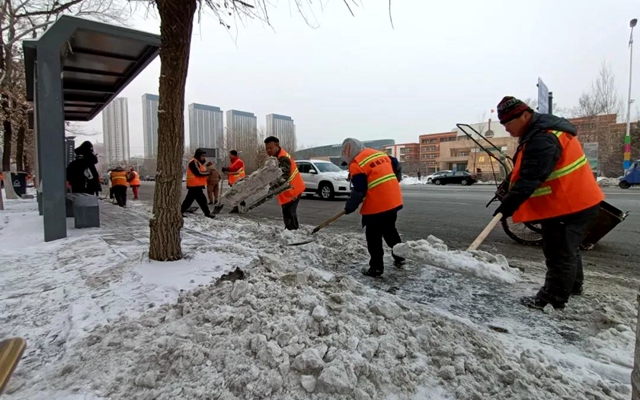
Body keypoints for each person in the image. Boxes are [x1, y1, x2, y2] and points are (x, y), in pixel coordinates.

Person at [493, 96, 604, 310]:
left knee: (558, 252)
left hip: (568, 205)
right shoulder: (544, 131)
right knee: (568, 249)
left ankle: (552, 299)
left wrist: (509, 204)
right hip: (577, 201)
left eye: (508, 123)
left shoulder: (543, 138)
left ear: (525, 115)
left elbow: (531, 177)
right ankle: (572, 286)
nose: (506, 129)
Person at [340, 138, 405, 277]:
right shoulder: (378, 154)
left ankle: (376, 268)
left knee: (373, 237)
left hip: (377, 205)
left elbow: (359, 190)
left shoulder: (357, 164)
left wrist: (350, 206)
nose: (348, 165)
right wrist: (394, 181)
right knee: (389, 230)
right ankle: (400, 256)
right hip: (393, 200)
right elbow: (396, 165)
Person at [264, 136, 306, 230]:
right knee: (287, 211)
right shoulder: (277, 158)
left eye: (270, 148)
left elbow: (283, 177)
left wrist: (273, 188)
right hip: (288, 190)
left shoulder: (283, 158)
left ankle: (293, 231)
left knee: (290, 212)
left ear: (277, 146)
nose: (268, 151)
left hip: (293, 189)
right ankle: (291, 231)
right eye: (267, 149)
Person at [181, 148, 214, 218]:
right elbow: (198, 173)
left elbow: (200, 171)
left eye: (204, 156)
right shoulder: (193, 162)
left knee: (189, 200)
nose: (203, 157)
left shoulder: (198, 162)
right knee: (202, 200)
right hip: (194, 185)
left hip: (196, 185)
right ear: (198, 155)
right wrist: (208, 173)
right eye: (202, 156)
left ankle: (180, 211)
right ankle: (207, 213)